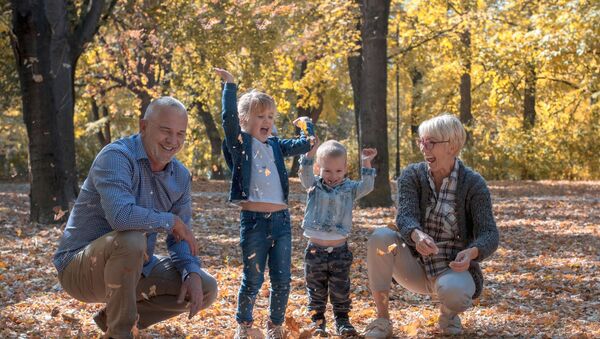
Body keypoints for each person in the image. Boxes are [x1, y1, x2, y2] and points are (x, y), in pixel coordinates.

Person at [53, 97, 218, 338]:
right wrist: (170, 221)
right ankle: (120, 333)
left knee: (205, 287)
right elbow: (121, 217)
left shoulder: (180, 176)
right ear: (143, 126)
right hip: (80, 268)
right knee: (132, 239)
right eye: (165, 131)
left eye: (180, 133)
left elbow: (180, 238)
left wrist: (190, 270)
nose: (173, 141)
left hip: (133, 267)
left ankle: (113, 318)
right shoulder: (116, 157)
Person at [364, 114, 499, 337]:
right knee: (380, 237)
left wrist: (472, 253)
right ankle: (382, 320)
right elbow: (405, 217)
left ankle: (448, 316)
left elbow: (489, 234)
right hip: (414, 265)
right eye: (422, 142)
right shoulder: (412, 175)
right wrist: (417, 235)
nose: (425, 148)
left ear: (452, 146)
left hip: (452, 268)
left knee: (454, 292)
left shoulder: (474, 184)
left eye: (431, 142)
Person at [215, 68, 316, 339]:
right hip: (254, 223)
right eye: (260, 116)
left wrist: (308, 125)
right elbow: (227, 121)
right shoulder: (241, 144)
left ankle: (275, 325)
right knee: (253, 280)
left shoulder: (275, 145)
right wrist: (230, 86)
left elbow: (306, 144)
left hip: (282, 223)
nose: (267, 121)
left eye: (270, 116)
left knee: (282, 280)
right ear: (245, 120)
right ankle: (244, 326)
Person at [298, 140, 377, 337]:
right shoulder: (314, 186)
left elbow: (367, 187)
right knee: (316, 290)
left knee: (340, 289)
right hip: (315, 250)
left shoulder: (349, 188)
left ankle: (342, 321)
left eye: (338, 171)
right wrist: (309, 154)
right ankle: (317, 323)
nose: (333, 177)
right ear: (318, 168)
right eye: (327, 171)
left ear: (345, 169)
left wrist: (366, 163)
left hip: (340, 251)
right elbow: (305, 174)